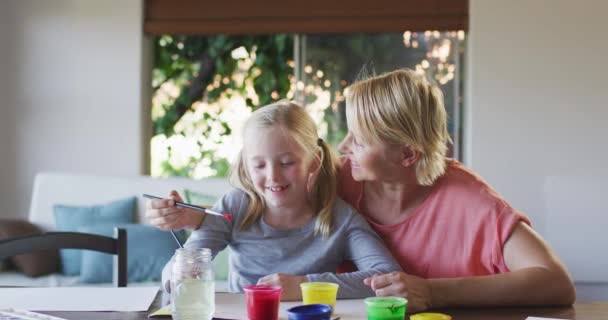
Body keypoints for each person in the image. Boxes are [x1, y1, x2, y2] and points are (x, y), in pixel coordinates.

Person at [337, 68, 576, 312]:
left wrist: (432, 292)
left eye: (358, 140)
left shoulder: (471, 200)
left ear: (408, 154)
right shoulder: (336, 182)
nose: (343, 146)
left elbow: (556, 282)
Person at [146, 101, 401, 301]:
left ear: (313, 161)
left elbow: (386, 276)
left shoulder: (340, 218)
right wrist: (179, 276)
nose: (273, 176)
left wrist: (304, 286)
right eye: (259, 164)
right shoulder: (235, 206)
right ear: (246, 164)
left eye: (287, 163)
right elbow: (178, 268)